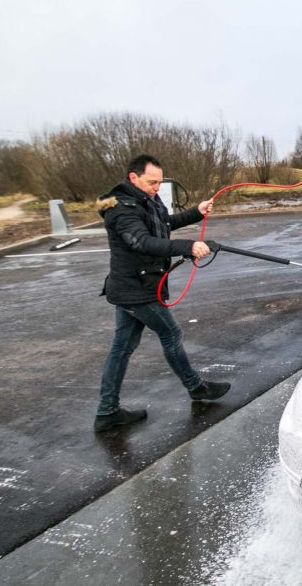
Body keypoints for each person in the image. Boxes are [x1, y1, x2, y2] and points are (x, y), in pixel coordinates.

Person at [94, 154, 230, 432]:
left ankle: (107, 412)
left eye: (159, 182)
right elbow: (141, 242)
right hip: (136, 289)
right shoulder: (120, 208)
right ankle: (196, 388)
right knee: (170, 334)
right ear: (133, 178)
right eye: (151, 182)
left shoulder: (147, 199)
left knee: (122, 348)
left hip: (135, 286)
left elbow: (163, 225)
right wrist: (188, 246)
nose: (157, 187)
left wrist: (196, 211)